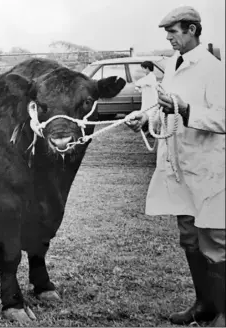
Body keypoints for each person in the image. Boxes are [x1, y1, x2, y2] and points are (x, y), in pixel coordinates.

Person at [126, 6, 225, 327]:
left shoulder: (214, 70)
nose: (169, 38)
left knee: (215, 242)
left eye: (174, 32)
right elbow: (164, 107)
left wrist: (186, 109)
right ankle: (204, 306)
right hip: (179, 167)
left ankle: (222, 313)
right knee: (190, 239)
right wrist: (145, 118)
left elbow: (222, 118)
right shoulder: (172, 65)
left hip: (210, 169)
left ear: (193, 30)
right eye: (166, 33)